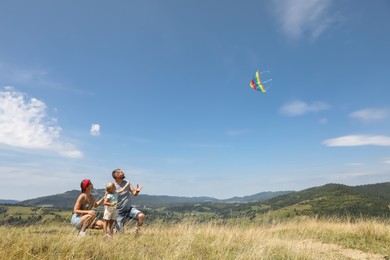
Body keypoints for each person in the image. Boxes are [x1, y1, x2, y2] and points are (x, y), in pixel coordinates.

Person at [112, 168, 145, 234]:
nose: (123, 172)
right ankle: (115, 230)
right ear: (116, 174)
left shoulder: (127, 183)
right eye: (121, 172)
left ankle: (137, 232)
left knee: (141, 216)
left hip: (128, 208)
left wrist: (138, 190)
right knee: (119, 233)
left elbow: (134, 194)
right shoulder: (112, 185)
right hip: (118, 211)